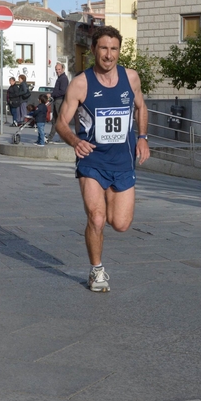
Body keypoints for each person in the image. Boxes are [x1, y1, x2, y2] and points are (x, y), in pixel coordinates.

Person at [55, 25, 150, 293]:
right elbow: (62, 122)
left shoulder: (131, 78)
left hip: (122, 162)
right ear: (94, 50)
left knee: (120, 224)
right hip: (92, 162)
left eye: (114, 49)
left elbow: (142, 107)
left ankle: (109, 197)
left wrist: (143, 137)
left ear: (119, 51)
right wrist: (75, 141)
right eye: (104, 49)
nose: (109, 55)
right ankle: (97, 271)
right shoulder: (81, 83)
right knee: (97, 218)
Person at [48, 62, 69, 142]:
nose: (57, 71)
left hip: (60, 101)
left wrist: (52, 94)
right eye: (56, 69)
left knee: (60, 120)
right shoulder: (60, 78)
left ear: (63, 69)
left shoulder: (63, 78)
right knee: (55, 120)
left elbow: (63, 91)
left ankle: (63, 138)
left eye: (59, 69)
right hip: (57, 100)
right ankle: (50, 137)